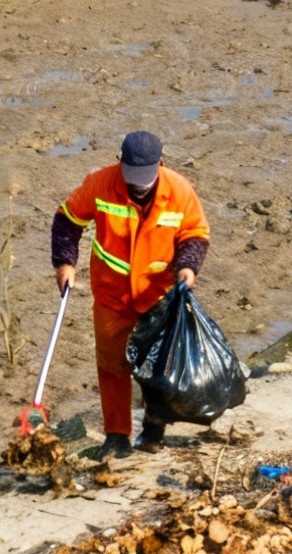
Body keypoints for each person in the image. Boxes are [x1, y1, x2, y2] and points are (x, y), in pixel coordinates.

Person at [52, 130, 210, 457]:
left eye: (145, 178)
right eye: (132, 177)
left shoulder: (179, 190)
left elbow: (194, 234)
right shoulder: (100, 184)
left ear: (160, 165)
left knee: (157, 368)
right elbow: (67, 220)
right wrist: (65, 263)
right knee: (111, 367)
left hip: (159, 297)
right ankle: (116, 435)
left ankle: (153, 429)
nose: (138, 185)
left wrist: (188, 267)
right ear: (119, 162)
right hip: (112, 297)